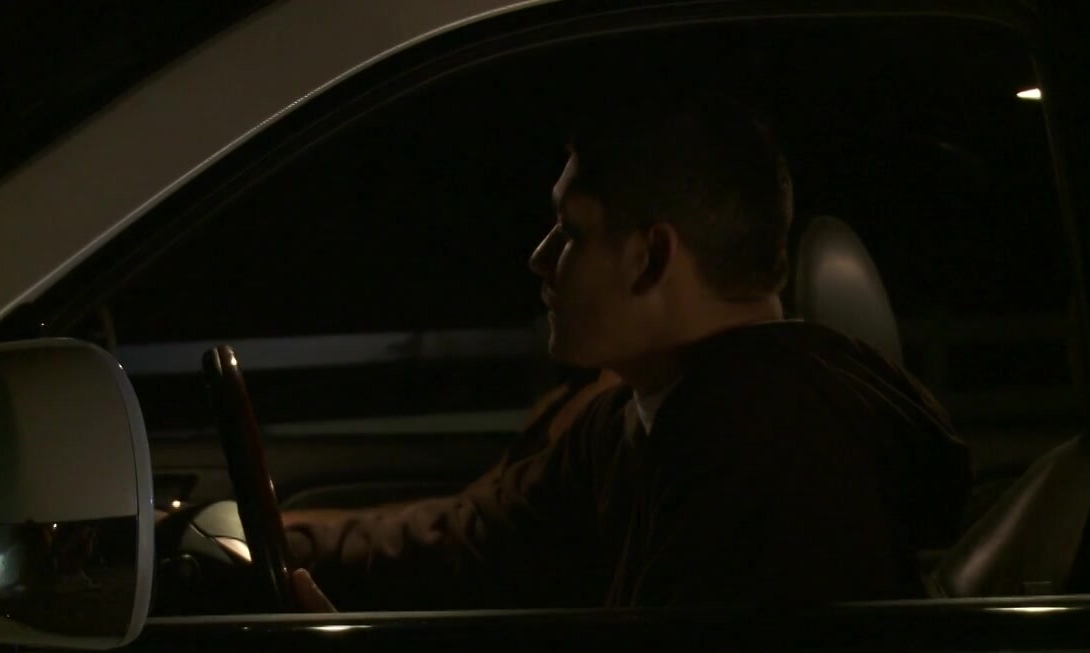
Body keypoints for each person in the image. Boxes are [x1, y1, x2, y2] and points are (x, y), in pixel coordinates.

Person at [284, 87, 972, 612]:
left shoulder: (770, 454)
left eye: (571, 232)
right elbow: (470, 541)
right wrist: (270, 546)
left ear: (651, 258)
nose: (540, 259)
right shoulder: (638, 417)